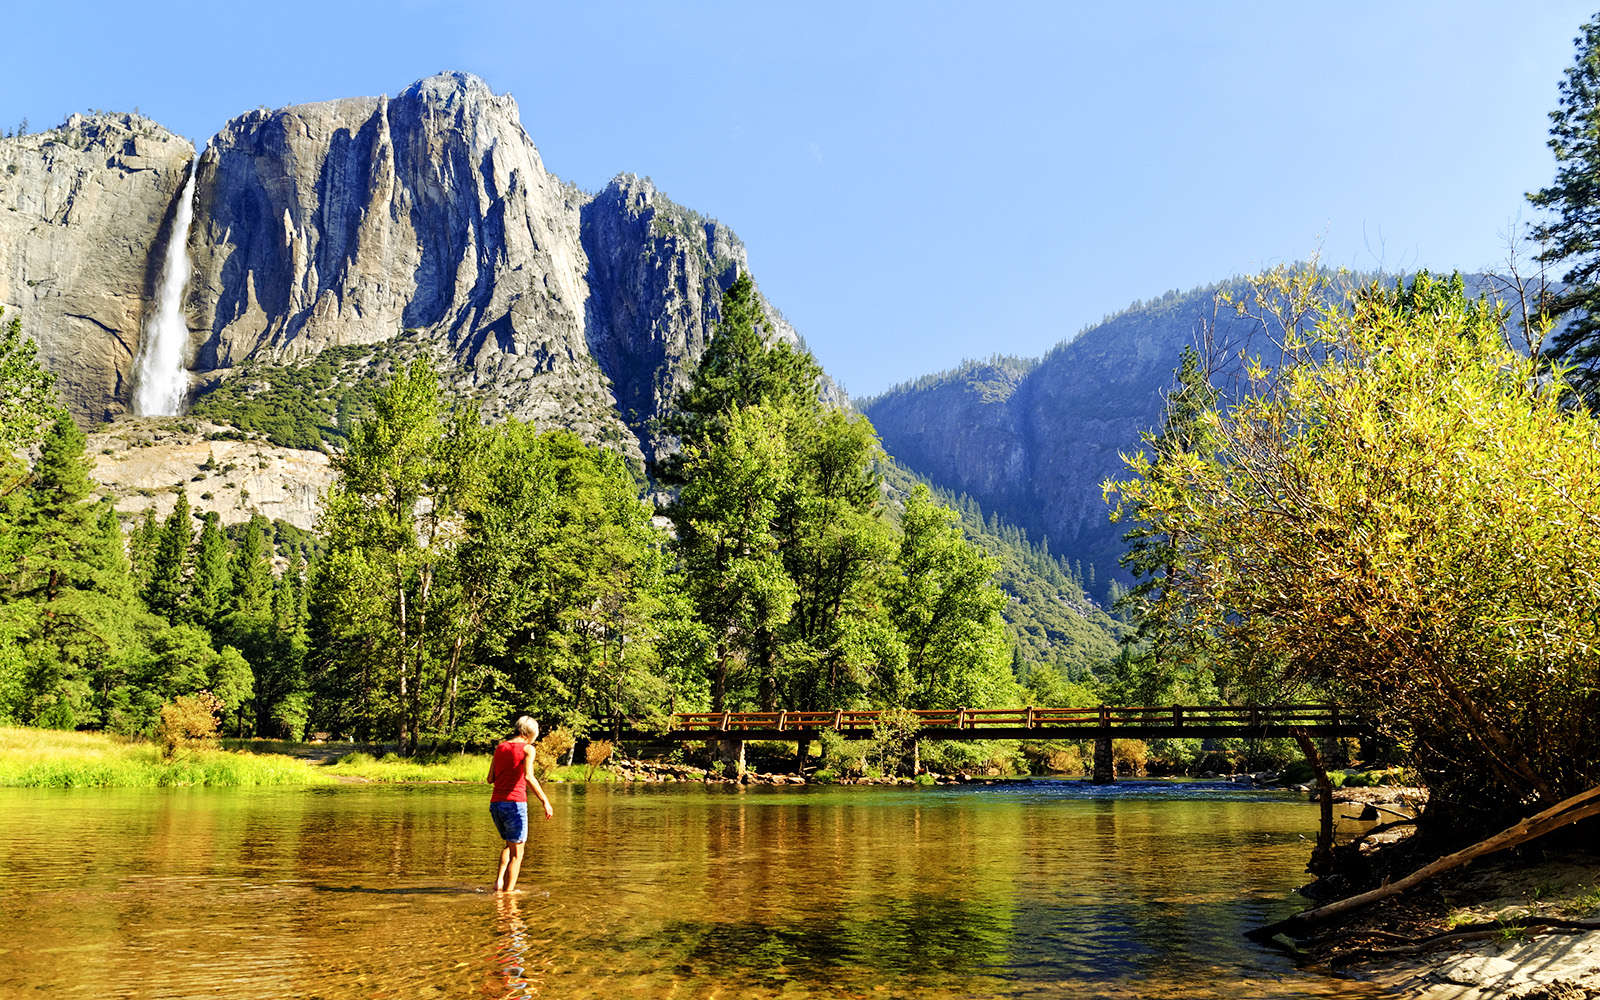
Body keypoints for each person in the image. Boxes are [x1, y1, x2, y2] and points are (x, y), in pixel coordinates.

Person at [487, 716, 553, 893]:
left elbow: (490, 778)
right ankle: (508, 897)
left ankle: (499, 882)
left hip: (496, 805)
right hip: (515, 805)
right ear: (530, 734)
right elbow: (529, 777)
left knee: (510, 845)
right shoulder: (528, 749)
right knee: (518, 854)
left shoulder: (500, 747)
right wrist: (545, 801)